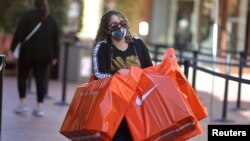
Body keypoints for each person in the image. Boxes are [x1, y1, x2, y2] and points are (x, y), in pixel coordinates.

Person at [92, 10, 153, 141]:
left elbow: (150, 71)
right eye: (114, 25)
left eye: (122, 23)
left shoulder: (138, 45)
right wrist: (119, 75)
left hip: (139, 107)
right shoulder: (102, 47)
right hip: (116, 110)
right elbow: (98, 74)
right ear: (107, 29)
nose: (120, 27)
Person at [9, 0, 59, 117]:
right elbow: (55, 41)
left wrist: (12, 49)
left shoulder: (27, 16)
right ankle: (40, 107)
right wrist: (55, 56)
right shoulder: (51, 21)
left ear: (34, 4)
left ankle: (22, 104)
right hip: (44, 56)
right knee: (41, 80)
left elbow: (19, 33)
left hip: (27, 54)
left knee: (22, 77)